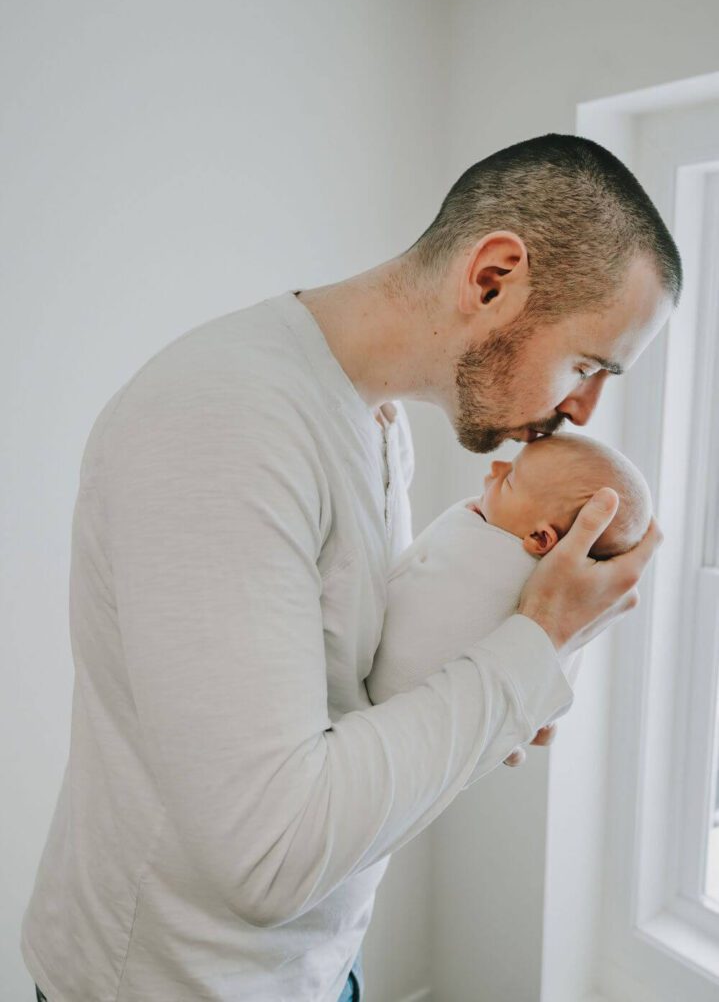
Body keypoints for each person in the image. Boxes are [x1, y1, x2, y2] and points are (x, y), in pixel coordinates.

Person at [20, 134, 680, 1002]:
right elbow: (267, 857)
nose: (582, 408)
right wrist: (534, 646)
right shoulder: (224, 419)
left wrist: (494, 706)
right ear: (493, 277)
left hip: (311, 972)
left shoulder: (373, 423)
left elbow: (345, 708)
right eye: (588, 363)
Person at [365, 433, 651, 775]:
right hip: (412, 737)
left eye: (510, 479)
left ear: (541, 539)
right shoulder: (567, 607)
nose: (497, 467)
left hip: (391, 713)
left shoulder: (491, 556)